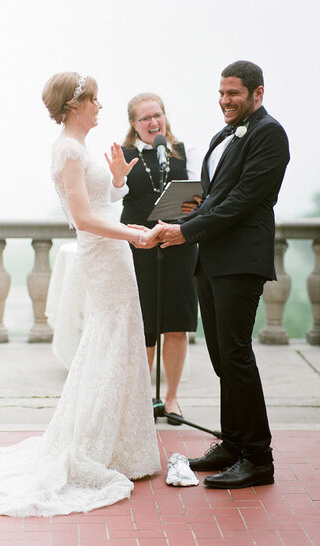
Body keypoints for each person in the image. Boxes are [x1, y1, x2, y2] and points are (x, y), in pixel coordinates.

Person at [0, 72, 161, 517]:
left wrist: (117, 180)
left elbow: (104, 202)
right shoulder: (67, 150)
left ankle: (122, 445)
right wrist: (132, 234)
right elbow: (84, 219)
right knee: (109, 340)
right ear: (75, 106)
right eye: (95, 100)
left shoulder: (82, 149)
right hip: (103, 253)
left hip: (114, 251)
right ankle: (93, 446)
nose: (100, 107)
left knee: (121, 340)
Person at [158, 61, 290, 488]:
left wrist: (186, 230)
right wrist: (171, 219)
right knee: (221, 359)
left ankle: (259, 458)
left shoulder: (269, 133)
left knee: (235, 356)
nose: (225, 100)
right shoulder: (225, 136)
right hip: (212, 260)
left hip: (240, 261)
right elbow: (215, 196)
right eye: (221, 92)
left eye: (233, 93)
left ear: (258, 93)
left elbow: (243, 200)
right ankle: (232, 444)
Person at [121, 93, 200, 424]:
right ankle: (143, 397)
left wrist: (179, 226)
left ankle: (171, 398)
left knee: (177, 324)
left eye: (158, 115)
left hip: (179, 244)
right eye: (145, 118)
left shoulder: (185, 153)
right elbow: (115, 196)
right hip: (140, 247)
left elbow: (199, 196)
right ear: (134, 125)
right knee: (146, 325)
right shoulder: (124, 155)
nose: (154, 122)